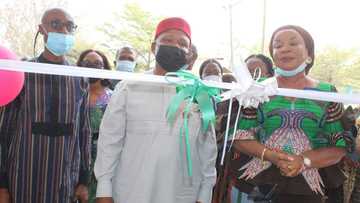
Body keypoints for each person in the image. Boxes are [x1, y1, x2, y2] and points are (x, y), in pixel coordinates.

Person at [94, 17, 217, 203]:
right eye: (167, 41)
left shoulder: (198, 94)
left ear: (189, 54)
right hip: (131, 192)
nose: (175, 46)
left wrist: (205, 193)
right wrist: (104, 190)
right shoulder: (129, 87)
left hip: (181, 194)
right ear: (153, 47)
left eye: (182, 43)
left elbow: (207, 148)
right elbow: (109, 141)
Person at [232, 25, 355, 203]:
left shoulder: (327, 93)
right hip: (259, 184)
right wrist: (272, 156)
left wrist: (303, 160)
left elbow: (339, 146)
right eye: (278, 45)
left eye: (293, 43)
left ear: (309, 54)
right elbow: (240, 138)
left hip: (309, 187)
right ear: (273, 56)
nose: (285, 49)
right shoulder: (257, 90)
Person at [0, 8, 91, 203]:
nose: (63, 31)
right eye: (55, 24)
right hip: (24, 174)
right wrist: (2, 185)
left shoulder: (80, 77)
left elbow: (84, 130)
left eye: (69, 26)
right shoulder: (23, 73)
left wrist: (84, 179)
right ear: (42, 30)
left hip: (65, 175)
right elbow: (5, 131)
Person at [77, 49, 113, 203]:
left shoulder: (114, 97)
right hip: (76, 156)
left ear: (104, 67)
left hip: (103, 157)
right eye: (87, 64)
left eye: (98, 64)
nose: (92, 67)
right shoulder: (74, 93)